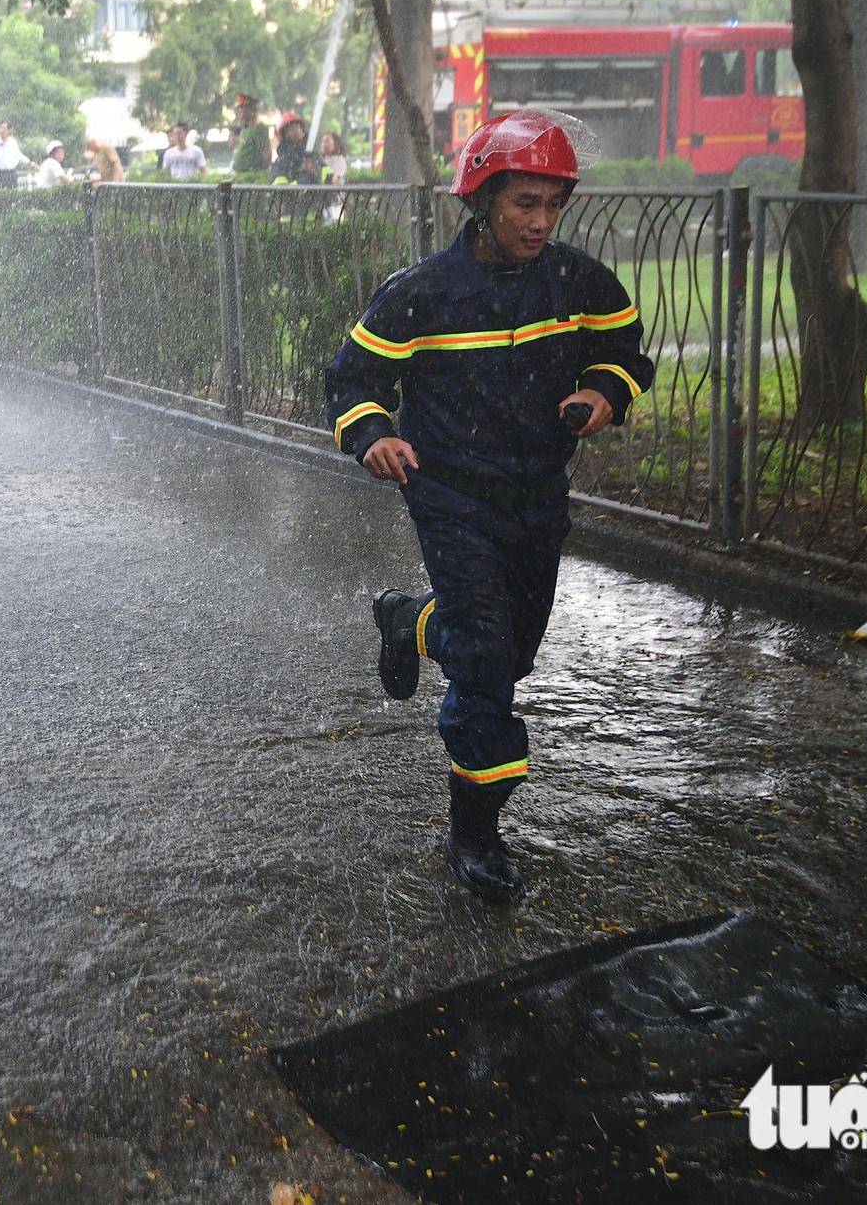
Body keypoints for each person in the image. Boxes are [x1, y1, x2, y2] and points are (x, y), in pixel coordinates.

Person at [322, 109, 653, 904]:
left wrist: (605, 392)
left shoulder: (578, 282)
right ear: (484, 201)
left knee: (513, 649)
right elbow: (351, 382)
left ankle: (409, 621)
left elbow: (625, 351)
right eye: (522, 205)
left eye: (552, 205)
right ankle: (474, 833)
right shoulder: (421, 295)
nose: (540, 222)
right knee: (490, 667)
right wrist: (370, 433)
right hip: (452, 499)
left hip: (540, 495)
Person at [271, 113, 319, 184]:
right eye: (291, 128)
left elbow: (328, 180)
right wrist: (305, 174)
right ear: (285, 135)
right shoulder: (281, 163)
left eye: (297, 126)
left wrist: (316, 170)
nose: (296, 130)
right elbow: (282, 190)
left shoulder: (314, 156)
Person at [231, 94, 271, 175]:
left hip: (253, 175)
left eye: (244, 108)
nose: (240, 111)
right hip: (240, 174)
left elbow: (266, 152)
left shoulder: (259, 128)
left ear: (252, 109)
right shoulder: (244, 128)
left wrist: (263, 172)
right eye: (239, 108)